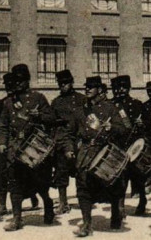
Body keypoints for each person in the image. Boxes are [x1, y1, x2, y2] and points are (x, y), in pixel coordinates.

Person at [0, 63, 58, 231]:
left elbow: (52, 118)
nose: (18, 84)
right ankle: (17, 219)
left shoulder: (38, 98)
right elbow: (3, 125)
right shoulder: (9, 102)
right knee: (15, 183)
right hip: (16, 148)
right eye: (16, 81)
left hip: (35, 147)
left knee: (40, 184)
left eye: (21, 80)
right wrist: (2, 143)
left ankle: (48, 204)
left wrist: (40, 116)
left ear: (27, 80)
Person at [72, 75, 130, 236]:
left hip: (105, 152)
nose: (87, 89)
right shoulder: (80, 110)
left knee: (111, 186)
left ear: (100, 90)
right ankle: (86, 224)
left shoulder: (111, 108)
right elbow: (71, 133)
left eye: (91, 87)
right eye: (86, 87)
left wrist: (112, 127)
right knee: (82, 187)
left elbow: (125, 129)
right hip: (86, 153)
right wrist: (70, 149)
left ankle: (116, 214)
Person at [110, 74, 146, 215]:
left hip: (133, 144)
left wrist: (141, 124)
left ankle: (142, 199)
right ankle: (121, 206)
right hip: (118, 143)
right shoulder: (111, 105)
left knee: (138, 176)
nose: (120, 90)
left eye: (124, 87)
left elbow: (145, 124)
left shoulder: (136, 104)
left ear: (129, 88)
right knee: (120, 177)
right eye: (117, 88)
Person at [50, 69, 86, 215]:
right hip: (62, 141)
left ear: (71, 83)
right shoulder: (56, 102)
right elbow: (52, 123)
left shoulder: (82, 99)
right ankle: (63, 203)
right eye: (60, 84)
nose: (63, 86)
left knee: (81, 172)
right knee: (61, 172)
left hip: (79, 140)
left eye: (65, 83)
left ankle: (83, 200)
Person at [0, 73, 16, 216]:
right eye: (7, 86)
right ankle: (2, 205)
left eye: (11, 85)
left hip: (19, 145)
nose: (9, 89)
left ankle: (33, 197)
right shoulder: (1, 104)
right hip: (3, 145)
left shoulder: (22, 102)